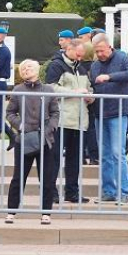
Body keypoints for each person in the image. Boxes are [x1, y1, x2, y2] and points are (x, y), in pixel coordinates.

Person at [5, 59, 60, 224]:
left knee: (47, 178)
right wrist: (20, 125)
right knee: (18, 177)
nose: (27, 69)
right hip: (24, 139)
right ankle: (11, 211)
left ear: (37, 69)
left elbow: (55, 113)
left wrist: (49, 129)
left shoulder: (48, 89)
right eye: (23, 67)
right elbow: (10, 113)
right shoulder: (18, 89)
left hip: (45, 140)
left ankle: (46, 212)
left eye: (29, 66)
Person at [90, 33, 128, 204]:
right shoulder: (94, 66)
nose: (100, 54)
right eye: (97, 51)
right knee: (105, 154)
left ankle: (123, 192)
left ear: (109, 47)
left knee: (118, 153)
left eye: (102, 51)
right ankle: (108, 191)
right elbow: (94, 86)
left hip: (118, 112)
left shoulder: (122, 58)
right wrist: (90, 96)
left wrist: (110, 77)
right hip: (99, 113)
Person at [47, 39, 91, 204]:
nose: (80, 58)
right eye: (78, 54)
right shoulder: (56, 65)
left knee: (75, 159)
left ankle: (72, 191)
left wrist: (89, 96)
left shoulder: (82, 68)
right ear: (70, 49)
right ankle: (51, 191)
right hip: (62, 120)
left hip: (80, 120)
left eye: (82, 55)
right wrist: (75, 91)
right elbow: (51, 88)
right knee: (55, 158)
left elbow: (89, 87)